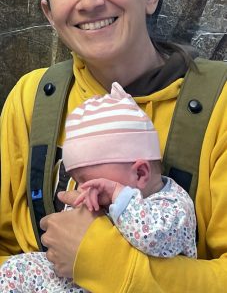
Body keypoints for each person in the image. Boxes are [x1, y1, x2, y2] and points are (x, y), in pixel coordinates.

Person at [0, 0, 227, 293]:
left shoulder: (219, 105)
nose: (89, 0)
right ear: (50, 14)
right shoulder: (31, 98)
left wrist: (97, 259)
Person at [0, 82, 196, 292]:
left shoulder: (173, 206)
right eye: (78, 181)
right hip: (79, 279)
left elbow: (154, 239)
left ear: (140, 173)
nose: (83, 190)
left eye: (89, 182)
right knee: (16, 269)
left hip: (131, 283)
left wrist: (120, 198)